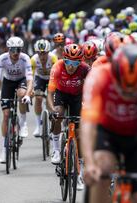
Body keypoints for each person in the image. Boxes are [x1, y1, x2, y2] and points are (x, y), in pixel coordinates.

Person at [81, 44, 137, 203]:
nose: (129, 93)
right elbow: (88, 123)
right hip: (107, 132)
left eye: (135, 89)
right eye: (123, 88)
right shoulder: (99, 77)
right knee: (103, 168)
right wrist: (89, 163)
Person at [47, 43, 90, 190]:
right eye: (68, 62)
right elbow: (50, 93)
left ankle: (80, 172)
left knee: (80, 134)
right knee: (58, 114)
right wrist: (52, 110)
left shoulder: (85, 69)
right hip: (61, 94)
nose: (71, 66)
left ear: (80, 62)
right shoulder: (57, 67)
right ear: (63, 59)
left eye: (75, 63)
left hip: (77, 97)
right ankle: (57, 150)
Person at [0, 36, 33, 163]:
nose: (15, 53)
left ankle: (23, 122)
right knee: (6, 115)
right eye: (13, 50)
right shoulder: (2, 58)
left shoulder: (25, 58)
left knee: (21, 94)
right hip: (8, 82)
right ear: (8, 49)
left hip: (21, 81)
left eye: (18, 50)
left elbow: (30, 79)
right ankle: (4, 149)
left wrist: (27, 95)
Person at [31, 39, 57, 137]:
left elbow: (57, 74)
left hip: (52, 78)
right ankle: (38, 126)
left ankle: (52, 124)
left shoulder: (53, 58)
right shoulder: (33, 59)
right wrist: (32, 90)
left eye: (44, 53)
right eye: (39, 53)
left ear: (48, 52)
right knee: (38, 98)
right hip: (40, 78)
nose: (42, 56)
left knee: (52, 99)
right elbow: (30, 76)